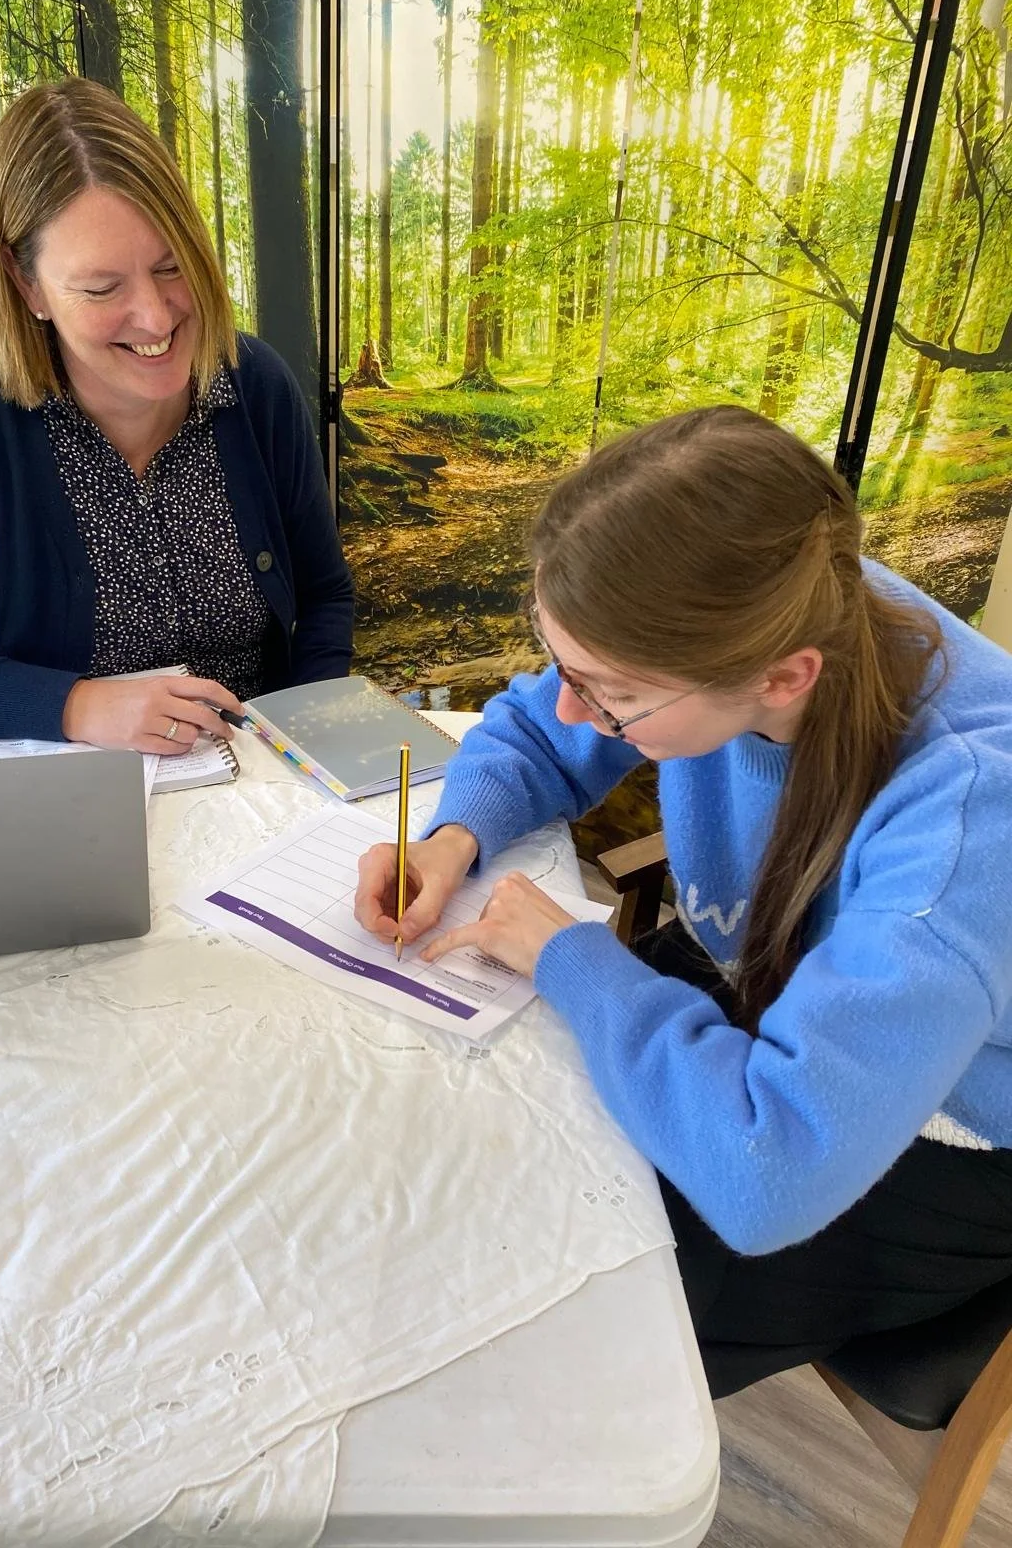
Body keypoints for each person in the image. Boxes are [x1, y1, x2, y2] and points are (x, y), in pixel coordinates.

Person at [354, 405, 1012, 1399]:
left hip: (935, 1133)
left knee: (553, 1320)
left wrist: (572, 958)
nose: (574, 708)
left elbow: (769, 1169)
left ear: (783, 679)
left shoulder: (965, 827)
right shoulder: (778, 609)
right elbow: (538, 727)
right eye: (568, 667)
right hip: (761, 988)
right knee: (473, 1138)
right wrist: (452, 839)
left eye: (611, 695)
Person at [0, 79, 352, 755]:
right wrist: (72, 706)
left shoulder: (256, 387)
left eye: (171, 267)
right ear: (27, 285)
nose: (155, 317)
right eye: (101, 288)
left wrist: (303, 746)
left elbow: (325, 596)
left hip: (253, 780)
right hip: (61, 784)